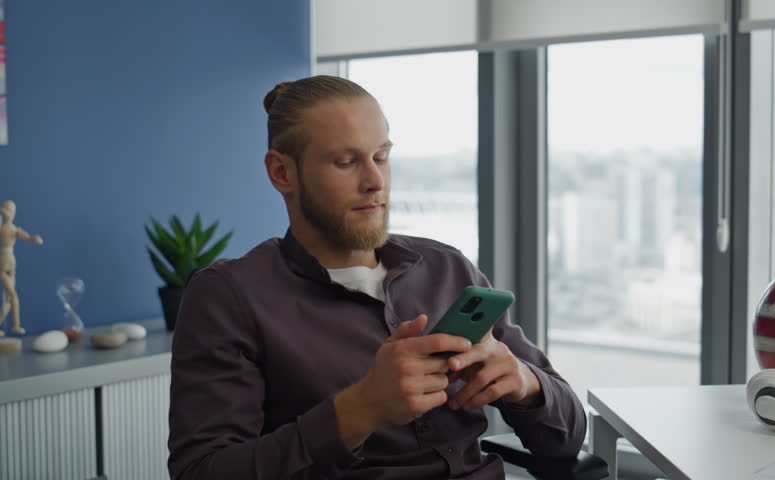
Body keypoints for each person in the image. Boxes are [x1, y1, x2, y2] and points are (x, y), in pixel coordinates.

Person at [168, 76, 586, 479]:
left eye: (381, 157)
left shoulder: (447, 268)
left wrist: (525, 383)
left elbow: (569, 437)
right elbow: (203, 470)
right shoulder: (228, 296)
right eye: (346, 162)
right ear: (282, 173)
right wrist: (360, 409)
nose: (374, 182)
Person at [0, 200, 43, 336]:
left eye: (12, 211)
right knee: (12, 296)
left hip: (11, 262)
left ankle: (15, 325)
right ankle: (16, 324)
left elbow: (27, 237)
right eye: (7, 210)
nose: (10, 213)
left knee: (8, 299)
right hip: (2, 261)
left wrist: (34, 238)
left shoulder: (15, 229)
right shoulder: (1, 229)